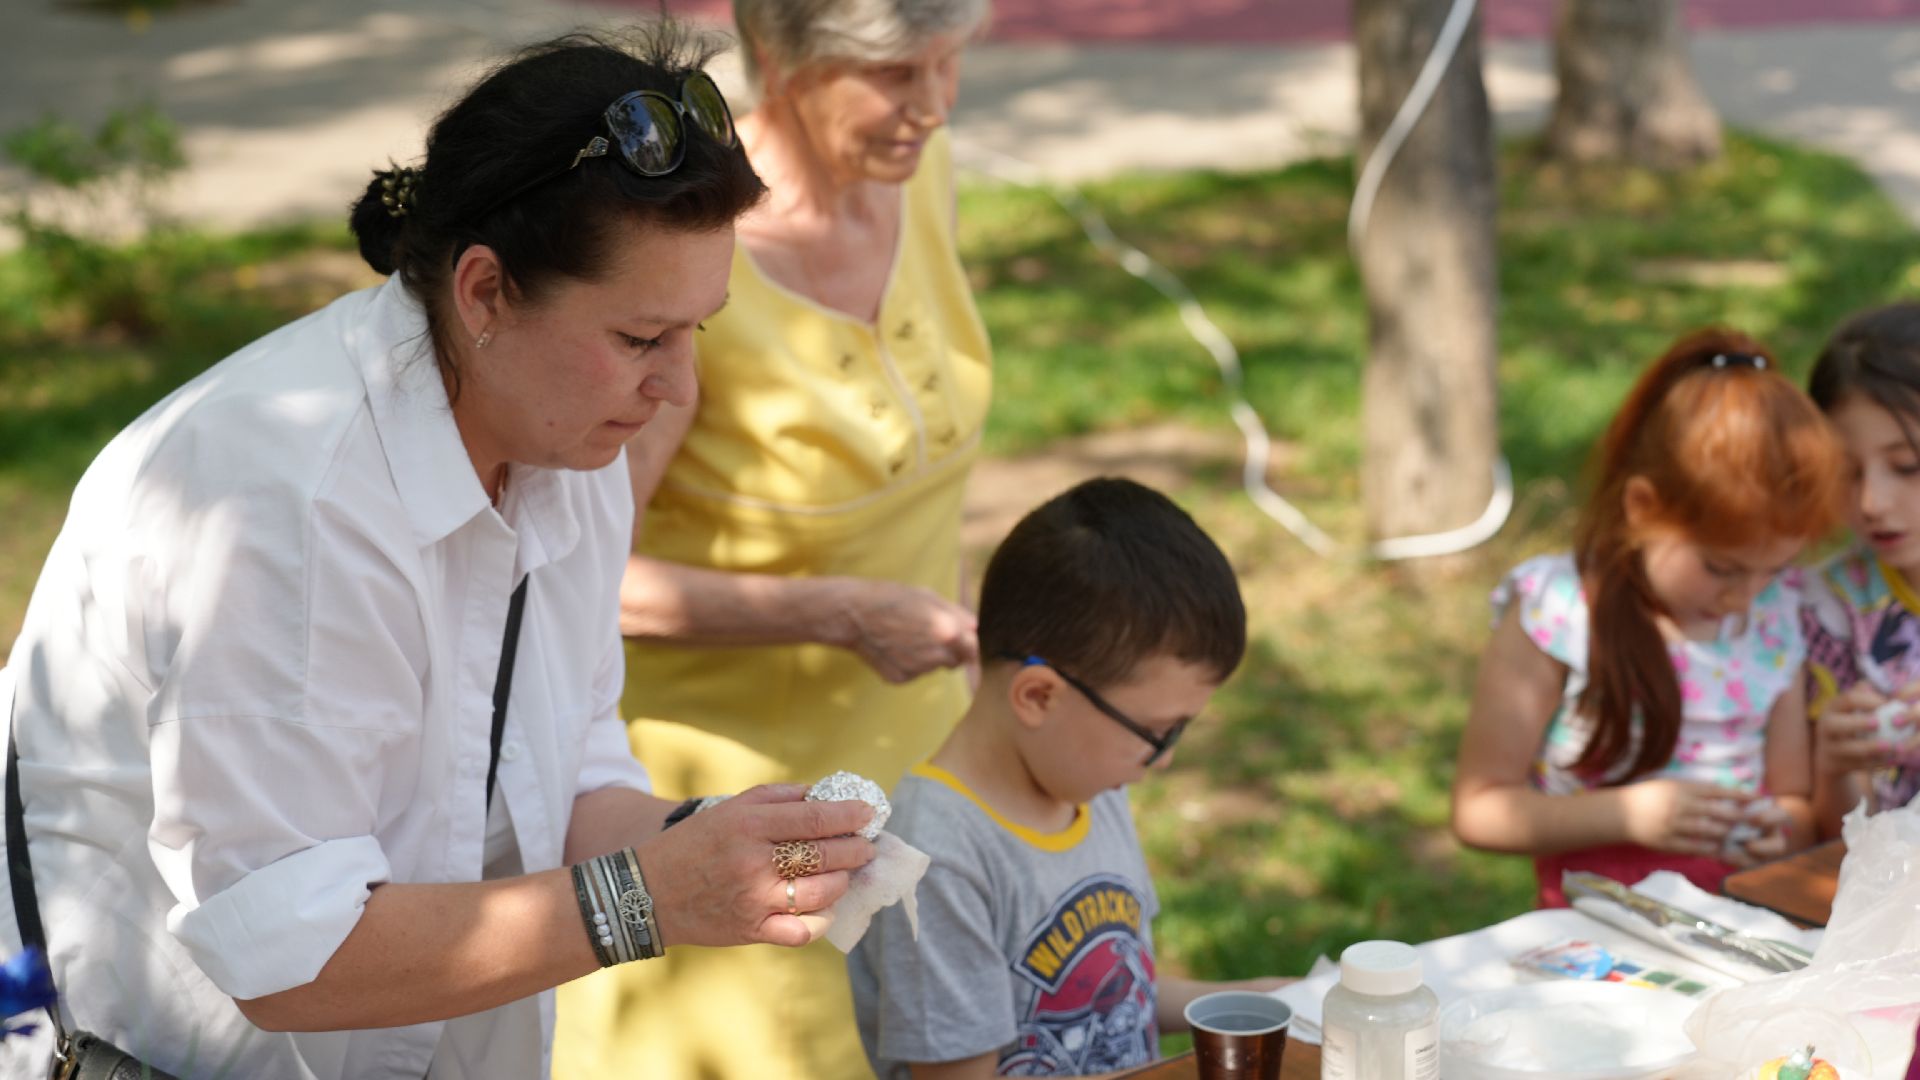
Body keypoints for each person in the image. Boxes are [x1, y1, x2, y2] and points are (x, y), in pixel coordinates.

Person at [0, 27, 877, 1079]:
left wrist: (719, 844)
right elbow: (294, 958)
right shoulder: (283, 505)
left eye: (700, 329)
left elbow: (566, 779)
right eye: (641, 338)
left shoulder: (570, 443)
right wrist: (649, 896)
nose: (678, 387)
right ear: (484, 292)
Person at [554, 1, 991, 1077]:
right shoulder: (696, 262)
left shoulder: (917, 176)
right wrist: (838, 613)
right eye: (896, 74)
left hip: (921, 778)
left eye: (949, 65)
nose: (933, 107)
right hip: (736, 816)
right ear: (784, 61)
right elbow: (579, 576)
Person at [847, 477, 1289, 1079]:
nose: (1163, 760)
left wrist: (1260, 1001)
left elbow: (1120, 996)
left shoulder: (1087, 783)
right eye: (1158, 732)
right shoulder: (936, 860)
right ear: (1038, 696)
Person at [1451, 329, 1846, 908]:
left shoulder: (1774, 615)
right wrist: (1629, 815)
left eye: (1774, 570)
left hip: (1741, 920)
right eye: (1721, 568)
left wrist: (1777, 832)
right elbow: (1480, 810)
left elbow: (1794, 802)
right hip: (1596, 932)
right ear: (1642, 507)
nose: (1743, 599)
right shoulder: (1559, 612)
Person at [1800, 302, 1920, 837]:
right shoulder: (1827, 607)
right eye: (1845, 472)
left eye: (1908, 466)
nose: (1872, 502)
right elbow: (1842, 840)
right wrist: (1835, 768)